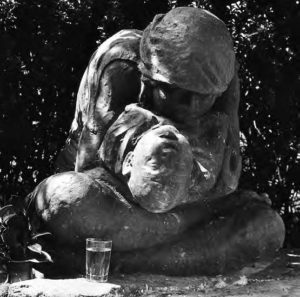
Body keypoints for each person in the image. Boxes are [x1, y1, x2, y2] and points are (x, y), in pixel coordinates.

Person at [28, 7, 285, 275]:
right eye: (175, 92)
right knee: (67, 198)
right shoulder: (120, 64)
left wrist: (183, 186)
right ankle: (185, 256)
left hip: (172, 204)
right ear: (147, 79)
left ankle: (120, 263)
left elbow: (227, 180)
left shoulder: (221, 75)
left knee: (267, 227)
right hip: (115, 198)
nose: (191, 105)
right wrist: (205, 212)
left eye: (204, 96)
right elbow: (88, 167)